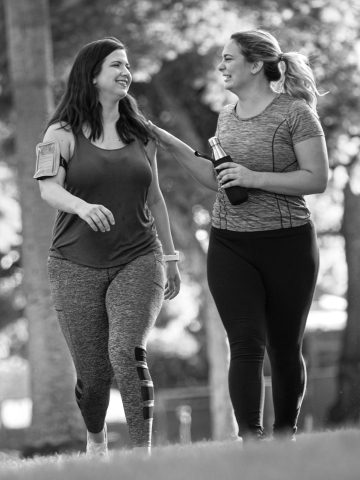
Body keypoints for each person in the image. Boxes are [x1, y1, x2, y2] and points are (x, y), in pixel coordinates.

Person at [148, 29, 328, 442]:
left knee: (284, 348)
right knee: (245, 344)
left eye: (229, 58)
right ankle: (251, 440)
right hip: (230, 241)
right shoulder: (226, 115)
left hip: (288, 243)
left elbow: (316, 178)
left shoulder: (296, 113)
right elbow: (219, 180)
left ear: (255, 64)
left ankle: (285, 438)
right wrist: (169, 141)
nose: (221, 66)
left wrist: (253, 177)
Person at [35, 37, 181, 458]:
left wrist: (169, 257)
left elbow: (154, 199)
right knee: (94, 374)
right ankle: (96, 440)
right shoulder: (59, 133)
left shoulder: (141, 134)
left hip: (139, 256)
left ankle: (142, 457)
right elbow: (48, 188)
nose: (126, 71)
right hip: (73, 264)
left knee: (126, 351)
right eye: (116, 64)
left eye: (127, 65)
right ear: (93, 75)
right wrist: (81, 207)